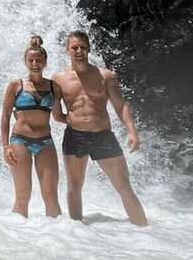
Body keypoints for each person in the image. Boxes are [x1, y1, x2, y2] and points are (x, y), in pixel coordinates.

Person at [51, 30, 148, 226]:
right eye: (75, 47)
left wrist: (132, 131)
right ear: (67, 50)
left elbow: (120, 106)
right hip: (74, 137)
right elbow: (56, 114)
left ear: (89, 49)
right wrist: (74, 121)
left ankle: (145, 229)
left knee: (123, 185)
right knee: (74, 186)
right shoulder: (58, 79)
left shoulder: (105, 75)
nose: (79, 51)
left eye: (83, 47)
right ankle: (77, 232)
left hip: (103, 136)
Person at [0, 35, 62, 218]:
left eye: (39, 60)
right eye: (31, 60)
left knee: (51, 196)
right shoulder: (16, 85)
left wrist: (79, 120)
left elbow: (58, 115)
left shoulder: (54, 87)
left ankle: (61, 238)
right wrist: (5, 147)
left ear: (45, 62)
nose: (35, 63)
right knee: (23, 195)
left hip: (46, 142)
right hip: (20, 141)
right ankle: (18, 241)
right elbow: (4, 117)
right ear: (25, 62)